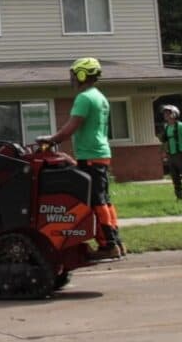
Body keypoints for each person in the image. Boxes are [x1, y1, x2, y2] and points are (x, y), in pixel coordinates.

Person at [36, 57, 124, 261]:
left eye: (75, 74)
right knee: (104, 200)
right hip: (99, 154)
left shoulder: (84, 98)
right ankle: (116, 242)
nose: (73, 79)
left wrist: (52, 139)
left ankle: (108, 245)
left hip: (91, 155)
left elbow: (72, 126)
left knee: (97, 201)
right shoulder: (100, 97)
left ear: (83, 74)